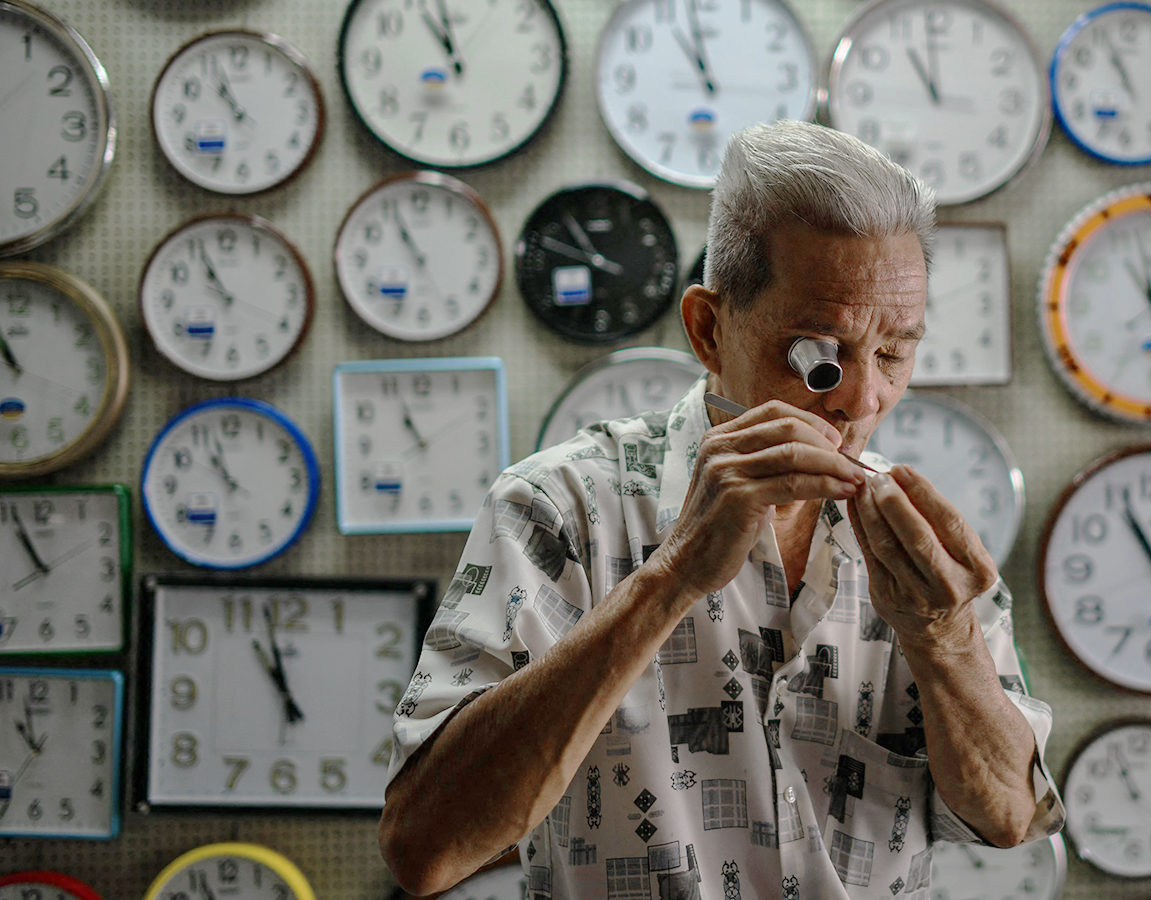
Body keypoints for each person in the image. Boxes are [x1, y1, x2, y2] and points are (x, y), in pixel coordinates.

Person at [379, 120, 1063, 900]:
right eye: (817, 354)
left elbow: (1010, 817)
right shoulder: (557, 510)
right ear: (709, 328)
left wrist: (945, 641)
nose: (862, 399)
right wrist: (667, 580)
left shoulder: (922, 546)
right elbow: (423, 849)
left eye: (894, 354)